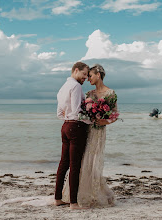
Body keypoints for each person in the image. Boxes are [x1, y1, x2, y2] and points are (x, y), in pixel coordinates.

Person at [62, 64, 118, 207]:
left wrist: (104, 121)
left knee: (93, 161)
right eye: (86, 75)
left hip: (99, 131)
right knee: (82, 161)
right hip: (85, 130)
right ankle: (78, 193)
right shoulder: (89, 94)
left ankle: (93, 192)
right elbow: (80, 111)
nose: (88, 79)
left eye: (90, 75)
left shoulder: (110, 93)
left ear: (98, 75)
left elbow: (115, 115)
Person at [54, 61, 90, 210]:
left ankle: (57, 198)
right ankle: (73, 203)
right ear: (76, 70)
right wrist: (90, 118)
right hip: (76, 127)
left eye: (87, 75)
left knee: (63, 164)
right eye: (84, 74)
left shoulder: (63, 87)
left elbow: (59, 113)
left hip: (65, 126)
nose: (86, 78)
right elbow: (76, 110)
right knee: (75, 165)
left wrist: (68, 120)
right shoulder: (75, 86)